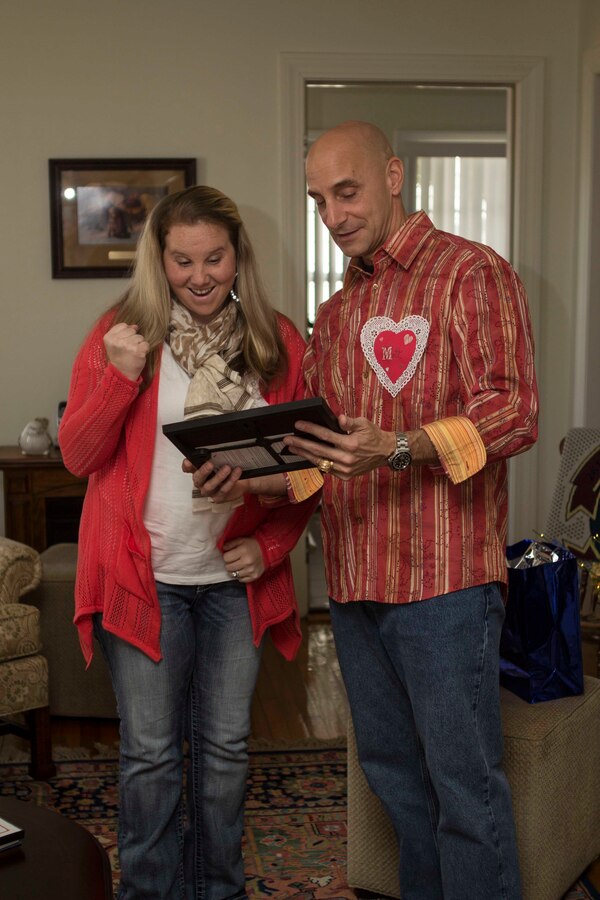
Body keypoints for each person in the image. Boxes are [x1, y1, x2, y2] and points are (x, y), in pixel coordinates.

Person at [283, 121, 539, 900]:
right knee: (395, 780)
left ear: (393, 174)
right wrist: (252, 475)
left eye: (347, 191)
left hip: (444, 584)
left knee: (465, 788)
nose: (333, 215)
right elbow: (327, 450)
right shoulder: (334, 311)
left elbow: (514, 412)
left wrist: (399, 447)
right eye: (319, 200)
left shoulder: (471, 274)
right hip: (355, 584)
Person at [58, 185, 320, 900]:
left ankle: (218, 891)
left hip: (235, 583)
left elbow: (310, 473)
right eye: (182, 261)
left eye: (215, 258)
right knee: (149, 758)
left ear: (239, 256)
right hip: (146, 579)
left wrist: (268, 550)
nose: (200, 276)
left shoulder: (279, 341)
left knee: (225, 754)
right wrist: (119, 376)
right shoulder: (121, 333)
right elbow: (78, 457)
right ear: (159, 260)